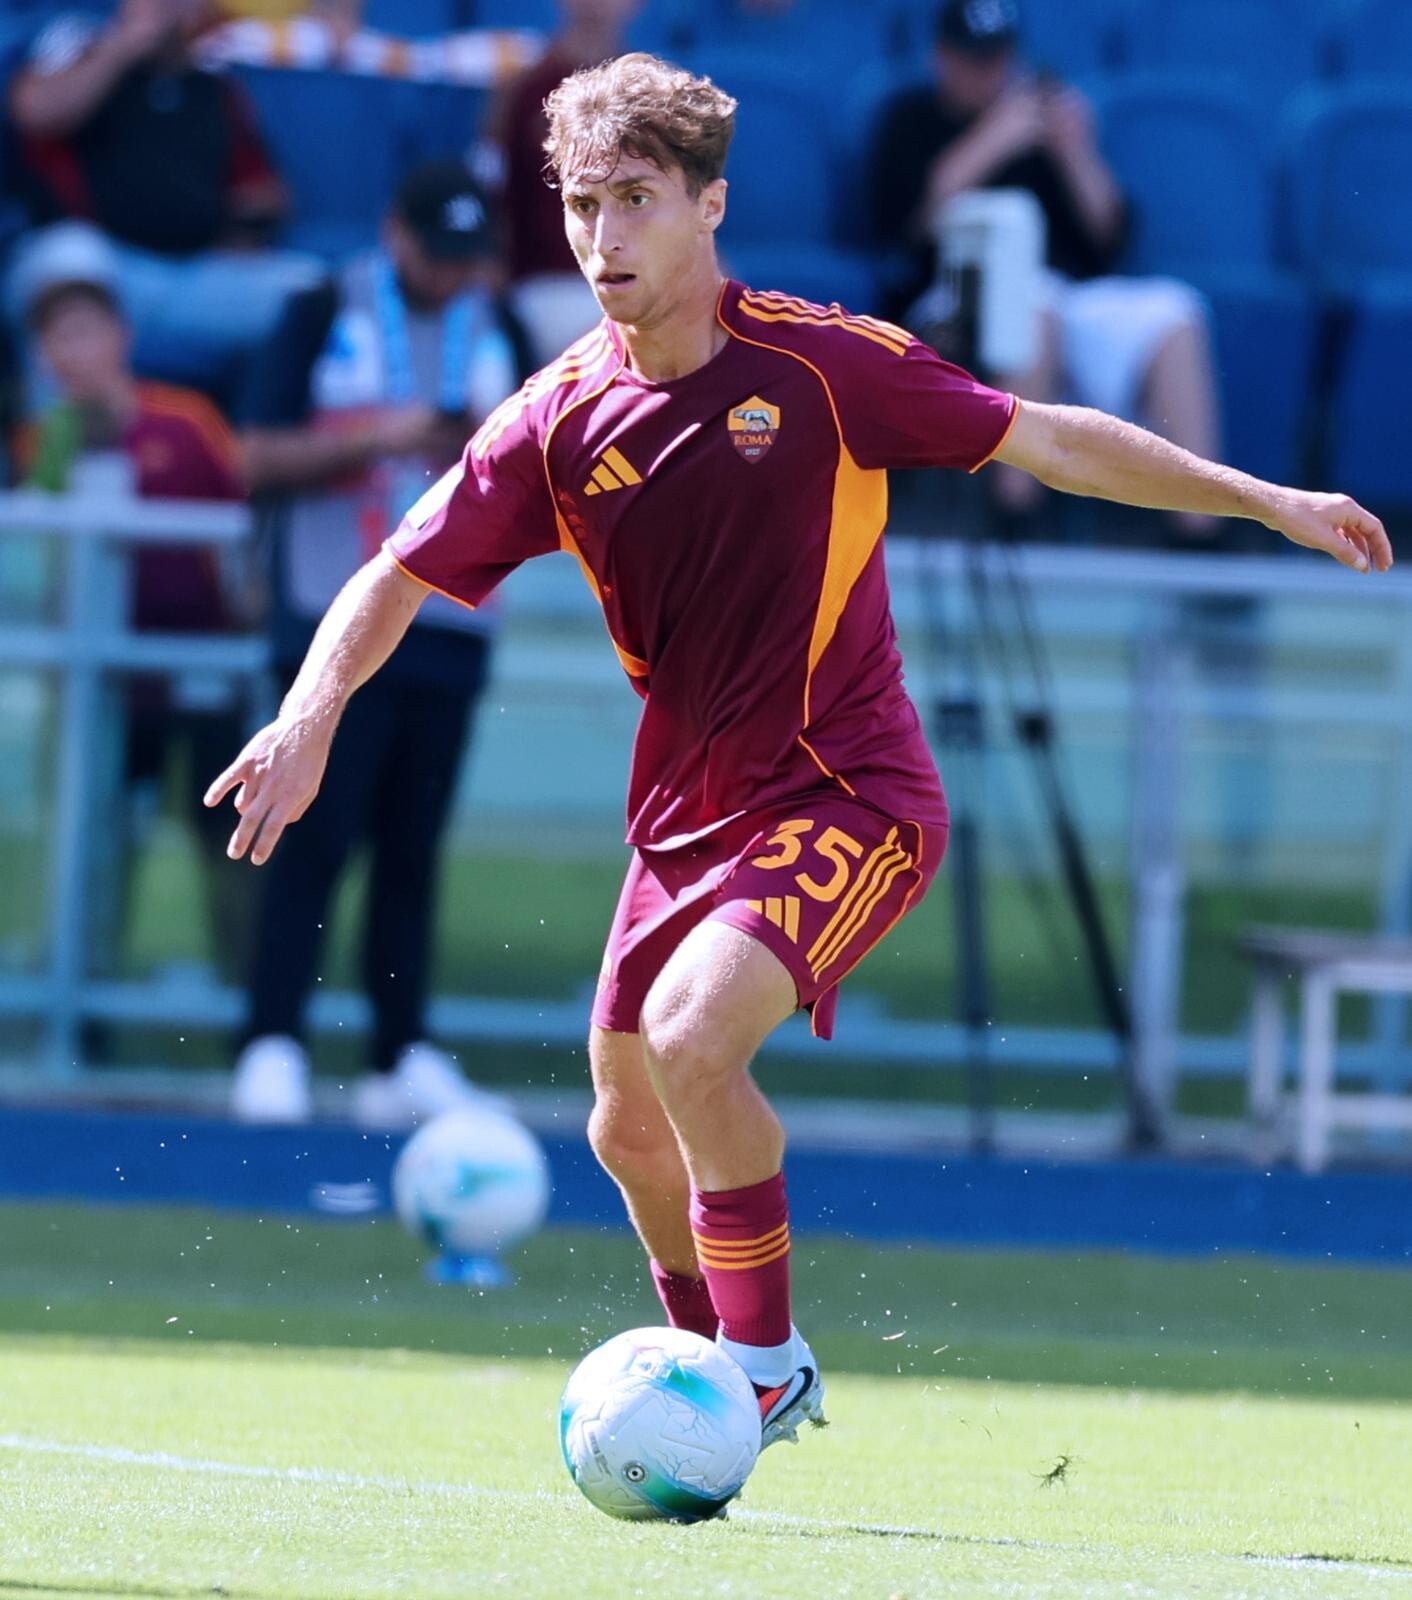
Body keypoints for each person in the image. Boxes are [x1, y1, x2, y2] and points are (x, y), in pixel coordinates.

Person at [205, 52, 1391, 1445]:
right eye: (581, 205)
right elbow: (396, 571)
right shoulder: (556, 419)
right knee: (624, 1129)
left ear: (709, 205)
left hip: (850, 794)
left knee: (693, 1041)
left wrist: (1261, 498)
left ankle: (762, 1371)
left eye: (636, 199)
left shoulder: (824, 368)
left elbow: (1048, 441)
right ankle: (708, 1372)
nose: (602, 237)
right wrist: (308, 714)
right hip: (684, 819)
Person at [228, 160, 520, 1128]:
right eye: (437, 253)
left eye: (466, 255)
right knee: (307, 835)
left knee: (412, 848)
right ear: (395, 233)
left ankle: (401, 1051)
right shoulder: (321, 307)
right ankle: (272, 1039)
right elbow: (254, 453)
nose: (452, 273)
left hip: (452, 624)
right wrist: (373, 438)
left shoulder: (497, 323)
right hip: (331, 622)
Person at [869, 0, 1223, 538]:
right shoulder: (910, 116)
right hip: (957, 294)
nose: (988, 73)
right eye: (974, 60)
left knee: (1176, 314)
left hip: (1070, 293)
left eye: (997, 59)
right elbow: (908, 226)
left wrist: (1077, 151)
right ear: (942, 58)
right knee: (1030, 306)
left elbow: (1109, 239)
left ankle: (1199, 532)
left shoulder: (1044, 126)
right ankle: (1017, 514)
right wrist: (995, 137)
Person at [15, 260, 253, 982]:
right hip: (101, 680)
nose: (73, 352)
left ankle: (244, 992)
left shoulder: (188, 421)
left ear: (119, 336)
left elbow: (242, 535)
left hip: (203, 669)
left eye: (84, 332)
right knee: (95, 834)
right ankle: (82, 989)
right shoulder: (43, 439)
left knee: (228, 833)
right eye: (57, 338)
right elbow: (42, 553)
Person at [6, 0, 323, 390]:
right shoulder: (84, 55)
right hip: (110, 270)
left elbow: (263, 192)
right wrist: (123, 44)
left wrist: (244, 231)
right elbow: (35, 112)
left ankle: (266, 425)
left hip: (195, 275)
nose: (168, 9)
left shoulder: (215, 89)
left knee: (308, 290)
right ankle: (63, 430)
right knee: (68, 259)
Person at [489, 0, 642, 368]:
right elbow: (494, 194)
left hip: (636, 280)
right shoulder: (523, 91)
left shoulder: (652, 96)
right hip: (546, 287)